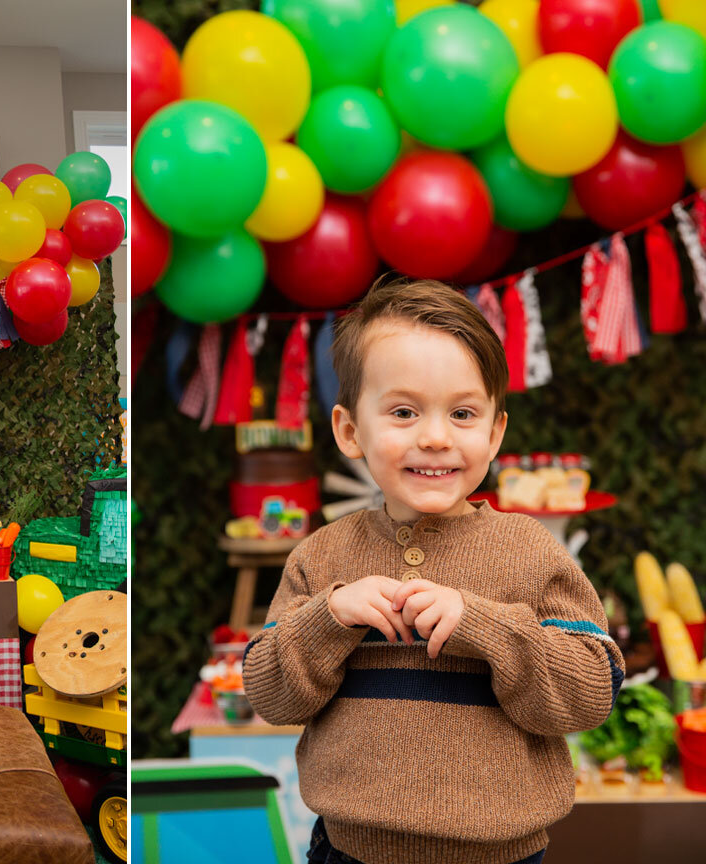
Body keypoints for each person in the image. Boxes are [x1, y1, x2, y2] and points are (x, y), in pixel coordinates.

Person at [242, 279, 624, 864]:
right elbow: (271, 695)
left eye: (463, 413)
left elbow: (590, 694)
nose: (436, 437)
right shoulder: (320, 556)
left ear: (495, 432)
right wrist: (328, 618)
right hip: (351, 851)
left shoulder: (528, 549)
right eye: (403, 411)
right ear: (350, 431)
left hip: (502, 854)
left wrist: (488, 627)